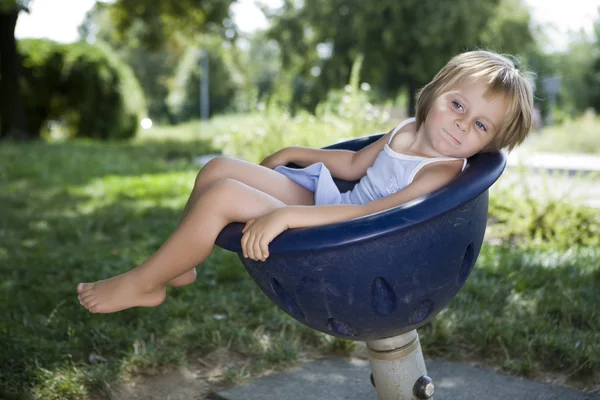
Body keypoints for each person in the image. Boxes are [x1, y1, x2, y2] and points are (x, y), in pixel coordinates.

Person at [77, 50, 533, 314]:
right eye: (457, 106)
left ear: (490, 142)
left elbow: (369, 212)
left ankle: (143, 282)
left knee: (224, 197)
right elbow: (353, 166)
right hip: (332, 200)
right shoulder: (406, 130)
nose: (461, 125)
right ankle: (178, 264)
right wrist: (299, 152)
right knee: (218, 168)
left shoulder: (440, 172)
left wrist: (288, 213)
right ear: (435, 94)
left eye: (480, 126)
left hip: (354, 237)